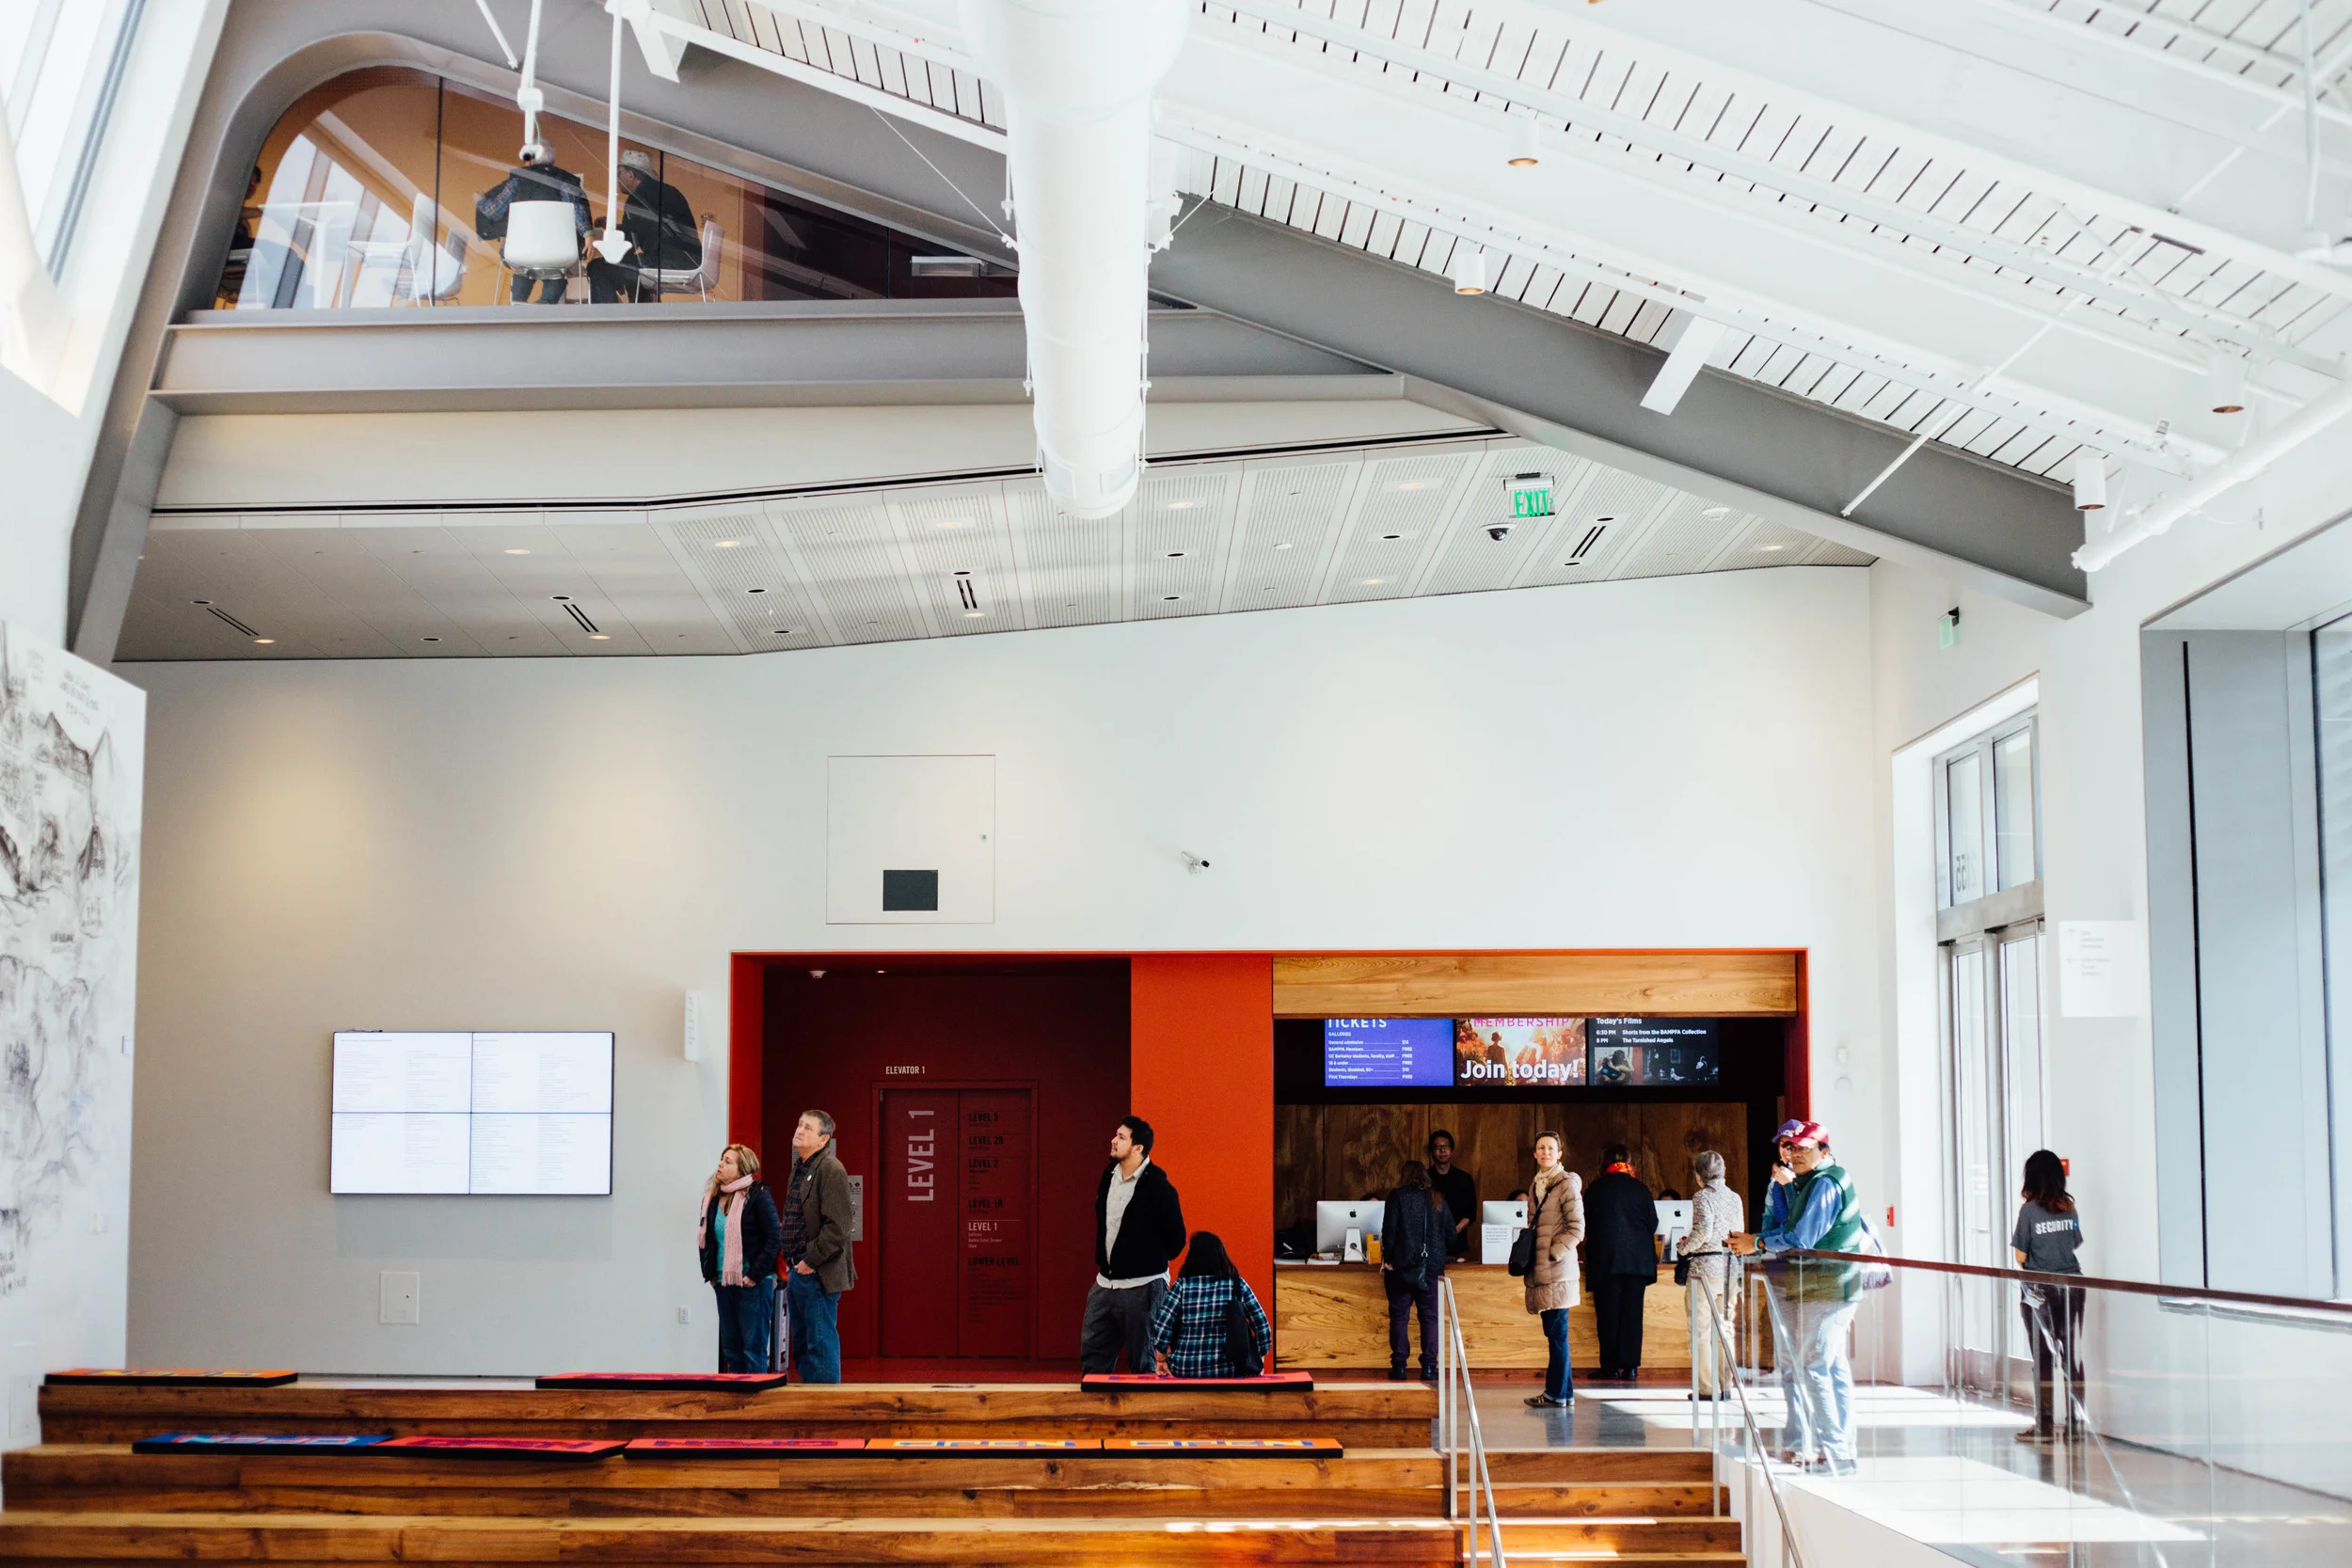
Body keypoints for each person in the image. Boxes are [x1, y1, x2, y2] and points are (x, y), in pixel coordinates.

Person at [1730, 1118, 1867, 1476]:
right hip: (1803, 1284)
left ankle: (1835, 1454)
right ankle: (1815, 1446)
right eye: (1789, 1147)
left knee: (1816, 1368)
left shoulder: (1826, 1183)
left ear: (1824, 1150)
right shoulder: (1801, 1183)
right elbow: (1782, 1225)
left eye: (1803, 1148)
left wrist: (1757, 1242)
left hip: (1828, 1285)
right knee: (1818, 1366)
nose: (1794, 1154)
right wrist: (1782, 1194)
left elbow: (1801, 1236)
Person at [1083, 1115, 1186, 1373]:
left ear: (1138, 1147)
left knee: (1145, 1366)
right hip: (1105, 1285)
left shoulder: (1158, 1187)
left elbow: (1176, 1242)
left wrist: (1145, 1259)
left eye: (1121, 1137)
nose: (1113, 1140)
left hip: (1144, 1286)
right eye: (1116, 1135)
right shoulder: (1108, 1176)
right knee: (1093, 1361)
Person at [2012, 1148, 2085, 1446]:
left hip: (2039, 1291)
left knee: (2043, 1357)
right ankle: (2075, 1424)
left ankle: (2043, 1426)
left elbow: (2020, 1256)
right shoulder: (2070, 1208)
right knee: (2072, 1357)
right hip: (2073, 1286)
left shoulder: (2028, 1212)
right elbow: (2074, 1243)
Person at [780, 1109, 856, 1383]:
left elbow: (839, 1226)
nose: (799, 1130)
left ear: (823, 1140)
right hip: (796, 1271)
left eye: (808, 1128)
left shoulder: (830, 1169)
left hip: (817, 1273)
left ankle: (826, 1405)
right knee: (802, 1347)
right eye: (799, 1124)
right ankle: (810, 1401)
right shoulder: (799, 1168)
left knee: (820, 1347)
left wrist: (810, 1260)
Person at [696, 1143, 780, 1372]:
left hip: (752, 1283)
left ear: (742, 1170)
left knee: (753, 1350)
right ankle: (737, 1395)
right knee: (731, 1350)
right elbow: (706, 1239)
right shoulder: (712, 1198)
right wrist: (710, 1274)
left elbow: (774, 1237)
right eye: (721, 1159)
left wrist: (754, 1275)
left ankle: (755, 1395)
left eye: (728, 1161)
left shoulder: (758, 1195)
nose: (720, 1164)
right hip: (723, 1283)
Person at [474, 142, 592, 304]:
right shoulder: (566, 183)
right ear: (552, 160)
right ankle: (545, 304)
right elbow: (577, 212)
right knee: (556, 272)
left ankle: (518, 303)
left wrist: (480, 201)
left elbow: (493, 211)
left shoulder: (517, 182)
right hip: (557, 251)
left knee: (522, 270)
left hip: (520, 250)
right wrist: (588, 233)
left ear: (531, 160)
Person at [1148, 1230, 1273, 1378]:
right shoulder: (1237, 1285)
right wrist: (1259, 1357)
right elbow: (1261, 1324)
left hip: (1186, 1368)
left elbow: (1162, 1325)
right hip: (1230, 1369)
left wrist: (1161, 1358)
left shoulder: (1182, 1286)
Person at [1583, 1143, 1658, 1382]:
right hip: (1637, 1261)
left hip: (1606, 1259)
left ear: (1604, 1162)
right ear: (1628, 1162)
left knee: (1608, 1314)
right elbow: (1653, 1223)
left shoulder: (1595, 1189)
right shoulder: (1641, 1188)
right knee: (1632, 1314)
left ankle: (1610, 1367)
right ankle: (1631, 1367)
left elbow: (1586, 1224)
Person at [1522, 1132, 1585, 1408]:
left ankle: (1556, 1394)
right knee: (1555, 1335)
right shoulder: (1536, 1184)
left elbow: (1578, 1229)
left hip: (1558, 1271)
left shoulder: (1567, 1184)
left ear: (1559, 1154)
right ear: (1535, 1154)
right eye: (1541, 1148)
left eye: (1550, 1148)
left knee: (1558, 1335)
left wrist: (1553, 1252)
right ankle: (1563, 1394)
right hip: (1544, 1272)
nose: (1545, 1152)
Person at [1381, 1160, 1454, 1381]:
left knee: (1399, 1317)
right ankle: (1429, 1367)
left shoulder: (1397, 1196)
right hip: (1431, 1269)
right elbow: (1451, 1233)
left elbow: (1389, 1232)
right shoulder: (1437, 1198)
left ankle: (1399, 1367)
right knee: (1430, 1318)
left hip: (1401, 1268)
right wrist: (1438, 1253)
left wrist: (1389, 1259)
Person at [1682, 1150, 1743, 1400]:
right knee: (1724, 1329)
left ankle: (1706, 1388)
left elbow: (1703, 1231)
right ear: (1723, 1172)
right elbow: (1738, 1231)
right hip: (1730, 1268)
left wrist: (1683, 1248)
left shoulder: (1701, 1197)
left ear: (1698, 1176)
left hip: (1704, 1269)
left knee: (1700, 1331)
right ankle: (1726, 1385)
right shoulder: (1735, 1198)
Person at [618, 148, 705, 293]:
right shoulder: (670, 191)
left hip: (670, 262)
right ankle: (644, 304)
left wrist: (610, 238)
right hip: (692, 261)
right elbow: (651, 229)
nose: (617, 179)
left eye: (619, 173)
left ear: (631, 175)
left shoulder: (636, 199)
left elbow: (629, 243)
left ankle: (633, 306)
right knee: (637, 263)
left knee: (600, 268)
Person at [1426, 1131, 1476, 1258]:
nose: (1442, 1150)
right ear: (1432, 1152)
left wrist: (1455, 1230)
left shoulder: (1465, 1179)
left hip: (1458, 1245)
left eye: (1446, 1146)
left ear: (1452, 1151)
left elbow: (1471, 1213)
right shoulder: (1424, 1180)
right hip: (1429, 1245)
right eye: (1438, 1147)